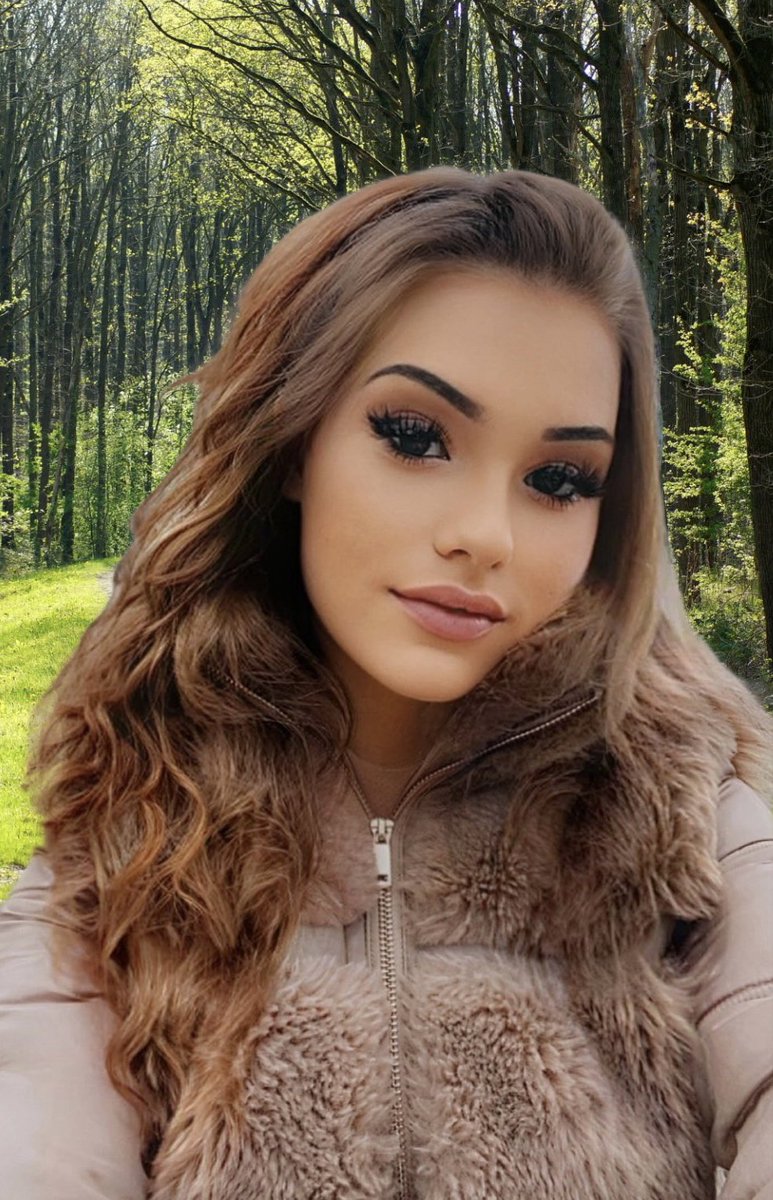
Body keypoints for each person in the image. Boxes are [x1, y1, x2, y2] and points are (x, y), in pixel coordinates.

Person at [1, 167, 772, 1200]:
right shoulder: (128, 820)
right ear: (292, 440)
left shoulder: (688, 805)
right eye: (414, 436)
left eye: (558, 480)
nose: (484, 536)